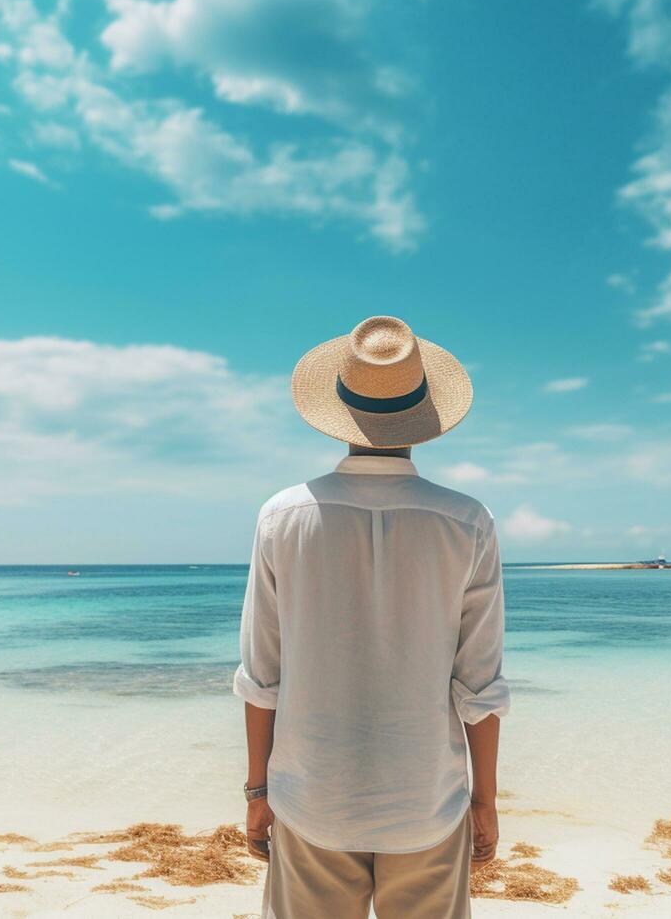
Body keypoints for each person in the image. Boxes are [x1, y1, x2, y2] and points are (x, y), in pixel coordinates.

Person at [233, 315, 511, 918]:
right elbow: (480, 686)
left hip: (312, 797)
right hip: (426, 802)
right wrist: (484, 802)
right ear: (425, 414)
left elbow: (262, 676)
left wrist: (258, 792)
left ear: (338, 406)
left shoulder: (283, 516)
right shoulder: (467, 522)